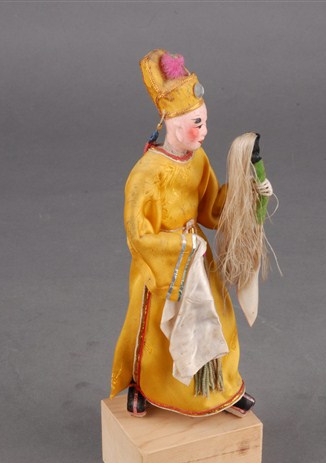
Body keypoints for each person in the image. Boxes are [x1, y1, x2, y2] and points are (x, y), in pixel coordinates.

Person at [110, 49, 267, 418]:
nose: (204, 131)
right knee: (156, 331)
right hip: (166, 263)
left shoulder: (198, 160)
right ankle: (143, 385)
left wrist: (246, 189)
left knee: (218, 320)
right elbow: (138, 236)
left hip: (198, 256)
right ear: (172, 124)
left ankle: (222, 387)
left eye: (205, 121)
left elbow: (211, 209)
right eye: (197, 123)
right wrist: (182, 245)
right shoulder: (147, 173)